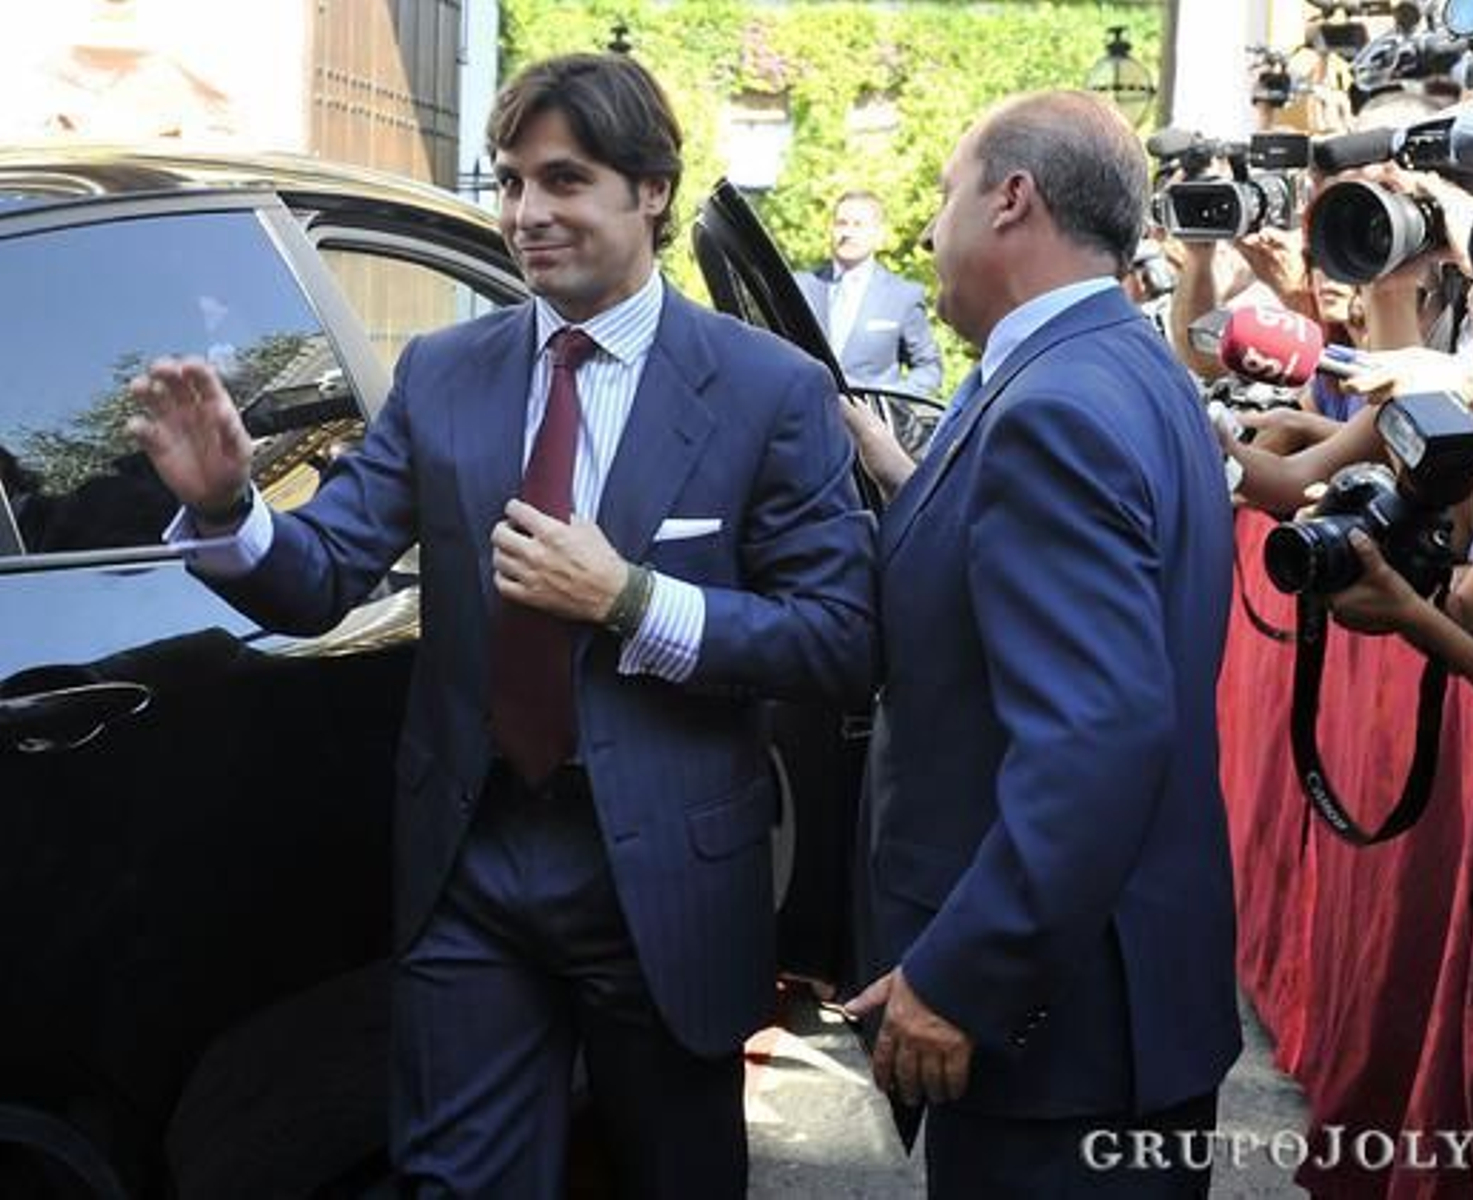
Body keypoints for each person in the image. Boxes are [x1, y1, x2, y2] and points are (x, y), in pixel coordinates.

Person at [126, 52, 875, 1199]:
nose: (527, 214)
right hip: (473, 863)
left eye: (564, 181)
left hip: (667, 878)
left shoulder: (766, 389)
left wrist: (630, 599)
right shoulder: (443, 373)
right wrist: (229, 509)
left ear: (652, 191)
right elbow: (322, 575)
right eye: (512, 182)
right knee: (455, 1182)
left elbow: (834, 639)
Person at [846, 90, 1242, 1196]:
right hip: (1118, 1015)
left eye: (944, 194)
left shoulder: (1050, 407)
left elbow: (1094, 738)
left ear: (1011, 198)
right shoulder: (1122, 361)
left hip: (1060, 1042)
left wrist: (963, 976)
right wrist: (911, 487)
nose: (929, 230)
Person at [794, 190, 943, 397]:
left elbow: (929, 369)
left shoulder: (903, 296)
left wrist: (886, 399)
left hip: (868, 423)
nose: (847, 232)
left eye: (858, 225)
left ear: (878, 234)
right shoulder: (800, 287)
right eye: (841, 223)